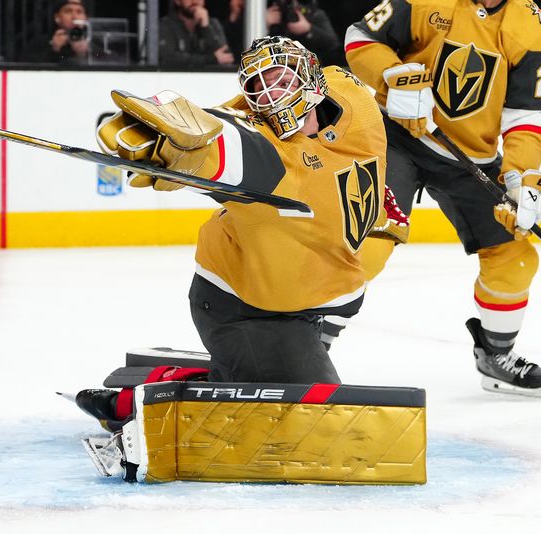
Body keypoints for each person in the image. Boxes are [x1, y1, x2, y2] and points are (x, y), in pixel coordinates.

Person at [90, 36, 402, 403]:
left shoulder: (354, 98)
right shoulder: (269, 155)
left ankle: (183, 380)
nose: (272, 96)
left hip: (308, 300)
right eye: (259, 87)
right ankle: (136, 402)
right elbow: (228, 142)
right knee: (311, 415)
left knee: (282, 392)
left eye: (281, 80)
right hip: (245, 305)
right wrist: (176, 150)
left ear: (313, 80)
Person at [342, 0, 541, 396]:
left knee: (514, 255)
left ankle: (496, 357)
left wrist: (522, 175)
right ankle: (306, 342)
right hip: (394, 137)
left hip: (470, 157)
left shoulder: (530, 23)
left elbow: (524, 114)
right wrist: (392, 77)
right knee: (370, 239)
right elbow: (359, 37)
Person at [265, 0, 342, 67]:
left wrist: (308, 29)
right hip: (272, 65)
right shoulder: (262, 13)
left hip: (309, 67)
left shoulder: (313, 13)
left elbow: (333, 43)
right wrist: (263, 23)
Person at [24, 0, 102, 65]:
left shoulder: (95, 42)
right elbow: (26, 67)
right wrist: (54, 50)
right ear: (57, 17)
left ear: (86, 18)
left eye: (79, 12)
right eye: (68, 11)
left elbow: (108, 61)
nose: (74, 16)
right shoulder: (40, 42)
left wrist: (85, 53)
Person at [159, 0, 235, 66]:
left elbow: (226, 57)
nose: (195, 1)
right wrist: (211, 59)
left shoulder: (212, 24)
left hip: (210, 79)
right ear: (177, 1)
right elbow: (168, 58)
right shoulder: (166, 25)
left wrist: (206, 28)